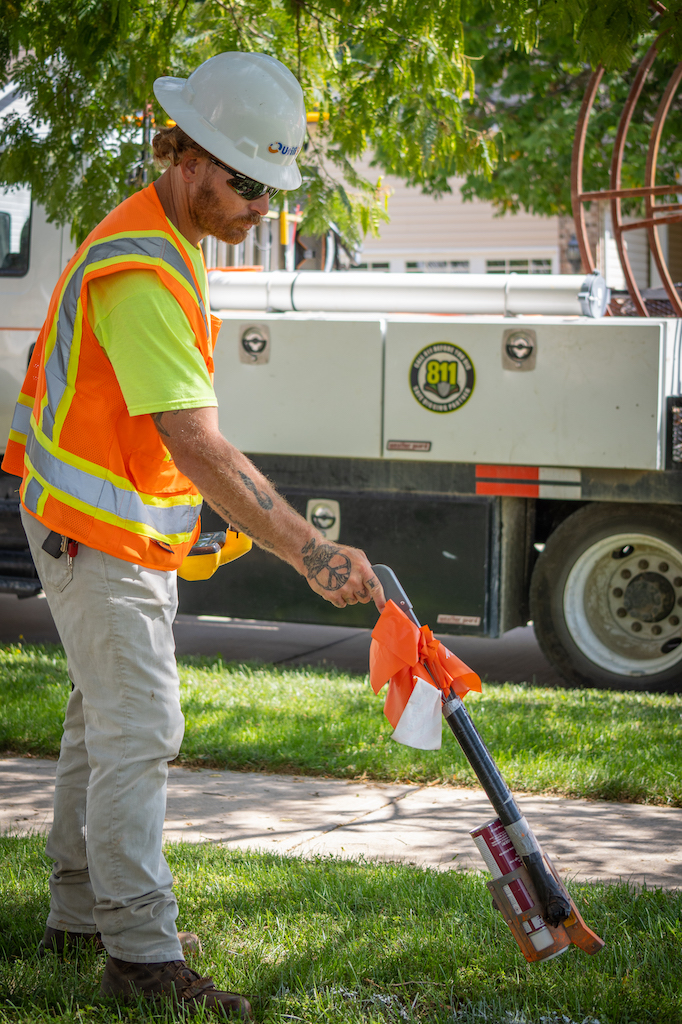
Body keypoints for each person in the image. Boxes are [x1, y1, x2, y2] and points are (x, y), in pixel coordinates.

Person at [2, 51, 385, 1018]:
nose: (262, 206)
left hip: (97, 527)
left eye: (271, 188)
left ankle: (80, 915)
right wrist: (310, 548)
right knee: (142, 730)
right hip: (93, 535)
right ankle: (139, 954)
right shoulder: (140, 268)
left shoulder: (167, 239)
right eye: (249, 182)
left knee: (101, 725)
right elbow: (195, 442)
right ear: (191, 159)